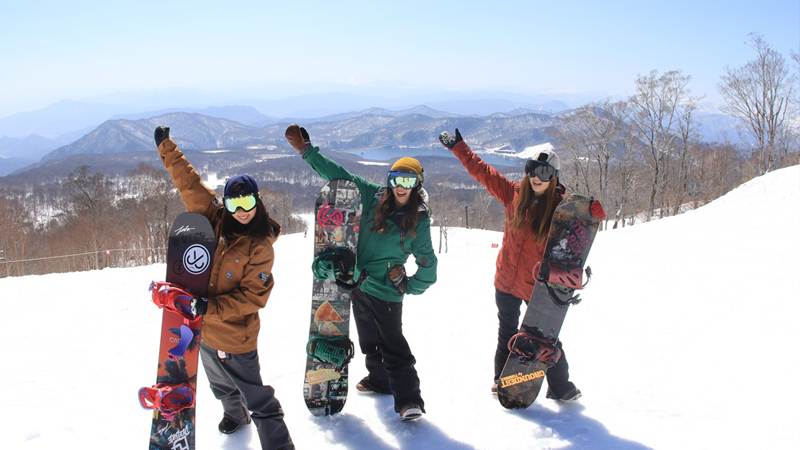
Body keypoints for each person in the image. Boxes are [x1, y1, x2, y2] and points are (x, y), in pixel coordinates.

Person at [154, 126, 294, 450]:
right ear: (226, 205)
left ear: (258, 202)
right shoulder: (214, 218)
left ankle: (279, 444)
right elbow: (187, 181)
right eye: (235, 203)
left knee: (257, 396)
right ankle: (235, 414)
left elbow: (251, 298)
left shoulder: (261, 246)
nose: (242, 211)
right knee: (219, 383)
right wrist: (166, 146)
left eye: (247, 202)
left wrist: (209, 308)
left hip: (235, 335)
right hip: (202, 330)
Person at [285, 124, 438, 421]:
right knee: (369, 341)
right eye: (395, 178)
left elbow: (429, 268)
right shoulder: (373, 196)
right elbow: (338, 176)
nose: (400, 186)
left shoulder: (418, 220)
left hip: (386, 292)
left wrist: (408, 285)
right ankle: (379, 381)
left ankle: (408, 400)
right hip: (357, 285)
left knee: (393, 344)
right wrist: (307, 152)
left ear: (417, 184)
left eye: (408, 180)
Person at [439, 128, 602, 402]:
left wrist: (592, 212)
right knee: (507, 332)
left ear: (554, 177)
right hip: (505, 281)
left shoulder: (560, 209)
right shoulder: (513, 194)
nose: (538, 178)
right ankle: (501, 381)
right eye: (533, 170)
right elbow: (483, 172)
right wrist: (459, 147)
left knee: (545, 338)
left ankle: (560, 386)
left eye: (546, 173)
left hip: (536, 287)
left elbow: (581, 231)